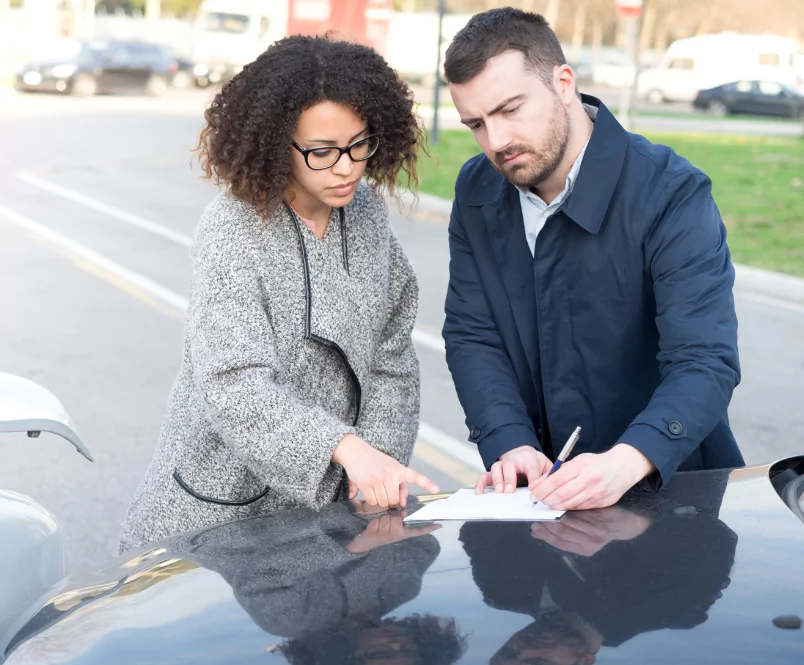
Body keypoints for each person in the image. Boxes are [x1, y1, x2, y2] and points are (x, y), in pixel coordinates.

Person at [119, 34, 438, 553]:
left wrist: (374, 463)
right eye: (321, 151)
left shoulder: (368, 215)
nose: (346, 167)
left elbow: (392, 358)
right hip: (222, 505)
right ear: (273, 142)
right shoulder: (232, 229)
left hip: (338, 506)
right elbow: (233, 382)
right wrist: (342, 446)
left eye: (360, 144)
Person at [441, 7, 744, 511]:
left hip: (671, 500)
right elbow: (474, 334)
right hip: (537, 506)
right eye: (476, 123)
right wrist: (508, 440)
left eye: (510, 109)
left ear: (563, 83)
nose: (496, 142)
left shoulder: (671, 192)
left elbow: (704, 361)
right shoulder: (476, 188)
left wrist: (627, 460)